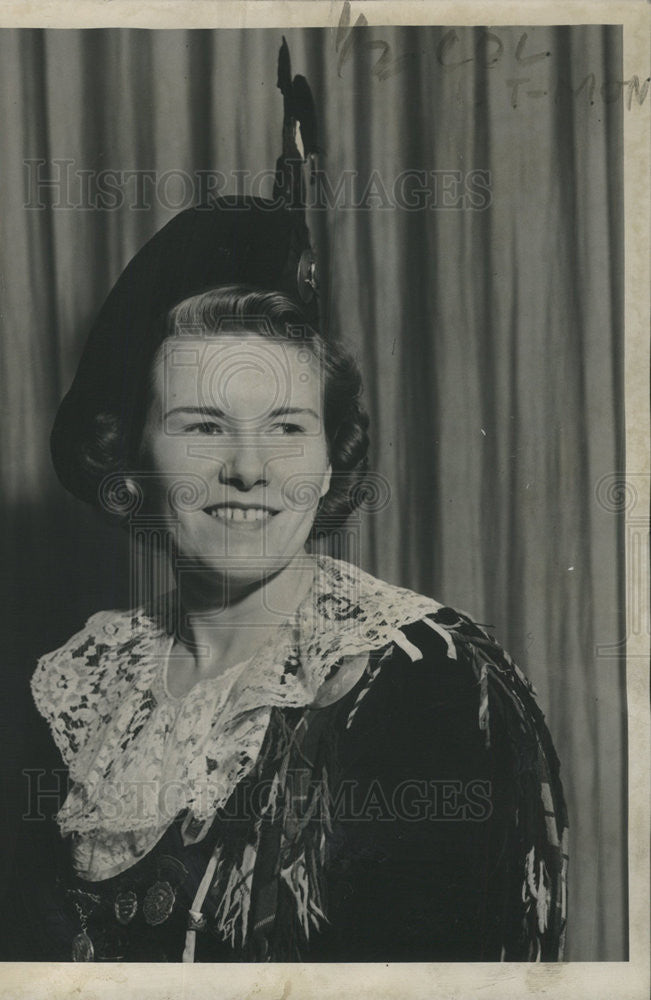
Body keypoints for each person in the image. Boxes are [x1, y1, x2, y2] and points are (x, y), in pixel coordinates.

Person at [29, 191, 568, 963]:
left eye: (286, 426)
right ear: (134, 456)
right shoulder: (93, 684)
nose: (248, 469)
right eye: (203, 426)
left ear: (326, 460)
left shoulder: (424, 681)